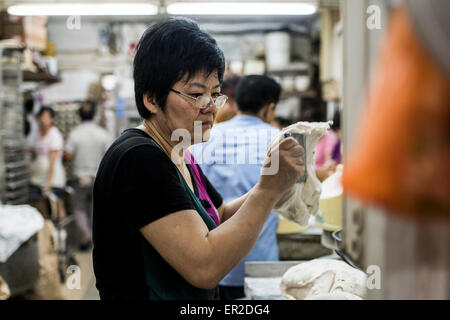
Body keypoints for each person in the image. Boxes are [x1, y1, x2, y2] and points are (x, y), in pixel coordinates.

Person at [92, 17, 305, 300]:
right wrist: (267, 192)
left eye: (215, 95)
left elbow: (221, 214)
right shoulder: (139, 160)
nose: (209, 108)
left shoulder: (181, 153)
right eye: (195, 94)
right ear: (151, 99)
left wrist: (276, 184)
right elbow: (205, 267)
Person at [190, 74, 282, 300]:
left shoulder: (204, 138)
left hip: (213, 264)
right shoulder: (281, 140)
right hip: (259, 265)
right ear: (269, 109)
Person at [64, 101, 112, 251]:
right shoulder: (102, 134)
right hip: (98, 176)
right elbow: (109, 155)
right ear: (94, 115)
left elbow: (68, 155)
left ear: (79, 116)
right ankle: (97, 238)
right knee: (95, 208)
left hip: (81, 177)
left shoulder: (74, 134)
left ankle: (85, 236)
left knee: (79, 208)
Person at [28, 106, 66, 217]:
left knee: (56, 205)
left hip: (53, 177)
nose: (43, 119)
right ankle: (46, 230)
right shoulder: (39, 133)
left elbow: (53, 161)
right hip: (38, 177)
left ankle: (60, 231)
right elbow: (38, 152)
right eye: (41, 117)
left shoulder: (54, 135)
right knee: (41, 206)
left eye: (45, 117)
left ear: (51, 119)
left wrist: (48, 183)